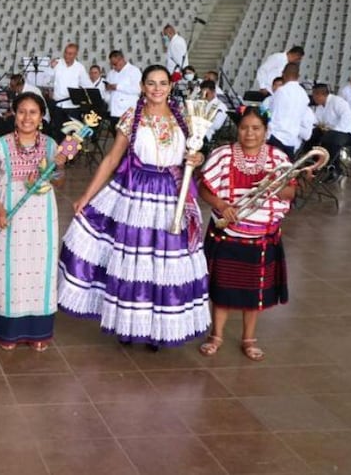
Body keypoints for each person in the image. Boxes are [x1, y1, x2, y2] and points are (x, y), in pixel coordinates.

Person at [58, 65, 210, 350]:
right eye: (151, 83)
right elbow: (112, 159)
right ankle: (129, 324)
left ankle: (157, 328)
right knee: (136, 260)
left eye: (162, 83)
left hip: (172, 194)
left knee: (164, 261)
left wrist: (197, 158)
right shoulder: (132, 117)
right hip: (138, 194)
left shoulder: (184, 118)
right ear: (142, 87)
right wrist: (87, 196)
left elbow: (194, 152)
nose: (157, 89)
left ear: (170, 86)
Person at [197, 107, 294, 362]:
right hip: (227, 233)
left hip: (262, 236)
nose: (249, 133)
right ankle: (216, 335)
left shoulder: (278, 158)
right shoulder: (222, 155)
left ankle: (249, 338)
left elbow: (291, 193)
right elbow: (204, 188)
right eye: (244, 128)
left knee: (255, 290)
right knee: (222, 288)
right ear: (237, 130)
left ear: (266, 131)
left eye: (256, 128)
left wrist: (277, 187)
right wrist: (220, 205)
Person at [0, 93, 67, 352]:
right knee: (9, 269)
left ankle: (39, 331)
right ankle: (9, 332)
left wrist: (59, 166)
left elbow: (59, 182)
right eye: (21, 112)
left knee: (41, 270)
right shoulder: (2, 144)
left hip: (42, 218)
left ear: (41, 117)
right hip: (10, 216)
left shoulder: (51, 145)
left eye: (33, 112)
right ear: (14, 115)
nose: (27, 117)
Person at [310, 84, 351, 180]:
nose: (313, 98)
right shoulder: (320, 107)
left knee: (332, 138)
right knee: (313, 134)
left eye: (314, 95)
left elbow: (346, 119)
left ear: (321, 95)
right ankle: (317, 163)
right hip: (330, 133)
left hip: (347, 133)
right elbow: (317, 121)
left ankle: (336, 170)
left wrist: (330, 131)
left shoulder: (338, 102)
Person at [267, 63, 314, 157]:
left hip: (276, 136)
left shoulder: (281, 91)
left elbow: (272, 114)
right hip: (291, 139)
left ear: (283, 74)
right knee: (286, 164)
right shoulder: (304, 95)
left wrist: (267, 134)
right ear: (298, 76)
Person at [48, 43, 93, 140]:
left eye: (70, 54)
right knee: (59, 134)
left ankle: (70, 150)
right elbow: (47, 81)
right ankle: (59, 149)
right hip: (58, 106)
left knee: (73, 135)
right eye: (66, 53)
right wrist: (51, 68)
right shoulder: (57, 64)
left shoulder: (79, 68)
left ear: (75, 55)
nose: (67, 56)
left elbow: (88, 85)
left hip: (72, 107)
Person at [105, 49, 141, 129]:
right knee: (115, 133)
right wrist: (108, 92)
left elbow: (138, 89)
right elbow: (107, 91)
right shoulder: (111, 73)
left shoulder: (133, 70)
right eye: (112, 64)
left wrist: (117, 87)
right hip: (114, 111)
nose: (113, 67)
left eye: (115, 64)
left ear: (121, 59)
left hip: (128, 111)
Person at [198, 80, 228, 146]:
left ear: (213, 92)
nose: (204, 96)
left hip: (207, 135)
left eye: (206, 94)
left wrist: (201, 121)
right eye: (202, 94)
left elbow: (216, 125)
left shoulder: (220, 106)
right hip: (197, 132)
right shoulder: (202, 103)